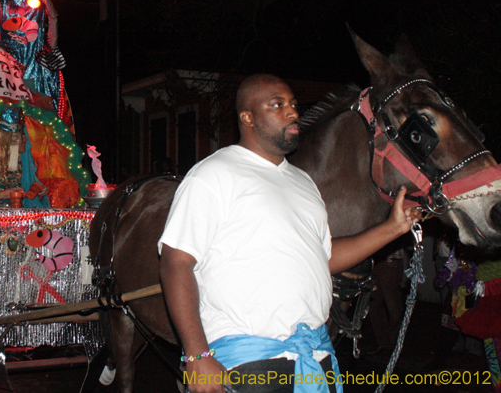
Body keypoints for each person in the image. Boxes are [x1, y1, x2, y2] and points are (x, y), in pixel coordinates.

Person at [159, 74, 420, 393]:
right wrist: (197, 354)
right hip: (248, 360)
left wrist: (393, 228)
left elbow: (324, 258)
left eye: (294, 104)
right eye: (277, 104)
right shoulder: (214, 174)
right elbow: (176, 263)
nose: (293, 112)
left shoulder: (303, 182)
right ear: (248, 117)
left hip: (314, 355)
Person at [0, 106, 49, 208]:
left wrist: (40, 195)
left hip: (20, 221)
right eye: (21, 135)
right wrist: (2, 195)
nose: (26, 140)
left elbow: (29, 204)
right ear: (10, 139)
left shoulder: (22, 165)